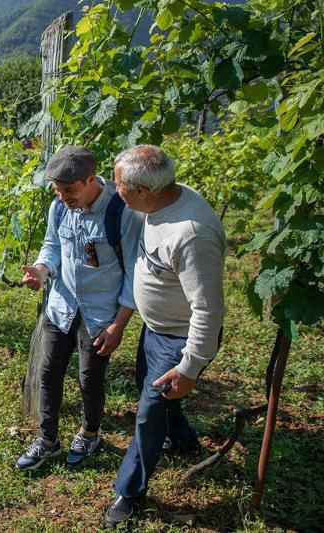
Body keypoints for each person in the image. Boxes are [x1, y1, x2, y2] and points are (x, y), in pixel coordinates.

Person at [105, 145, 225, 527]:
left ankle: (129, 493)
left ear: (142, 191)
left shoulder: (191, 235)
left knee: (148, 415)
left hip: (179, 338)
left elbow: (208, 310)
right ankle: (185, 439)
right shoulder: (159, 202)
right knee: (151, 389)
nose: (114, 187)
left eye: (119, 184)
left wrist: (188, 368)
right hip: (155, 328)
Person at [16, 146, 141, 470]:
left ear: (90, 180)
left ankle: (89, 431)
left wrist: (119, 325)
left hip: (99, 314)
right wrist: (42, 271)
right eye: (57, 190)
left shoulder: (122, 213)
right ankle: (47, 440)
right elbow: (52, 245)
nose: (62, 197)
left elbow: (134, 273)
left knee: (90, 379)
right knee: (48, 372)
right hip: (61, 305)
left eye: (69, 190)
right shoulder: (59, 208)